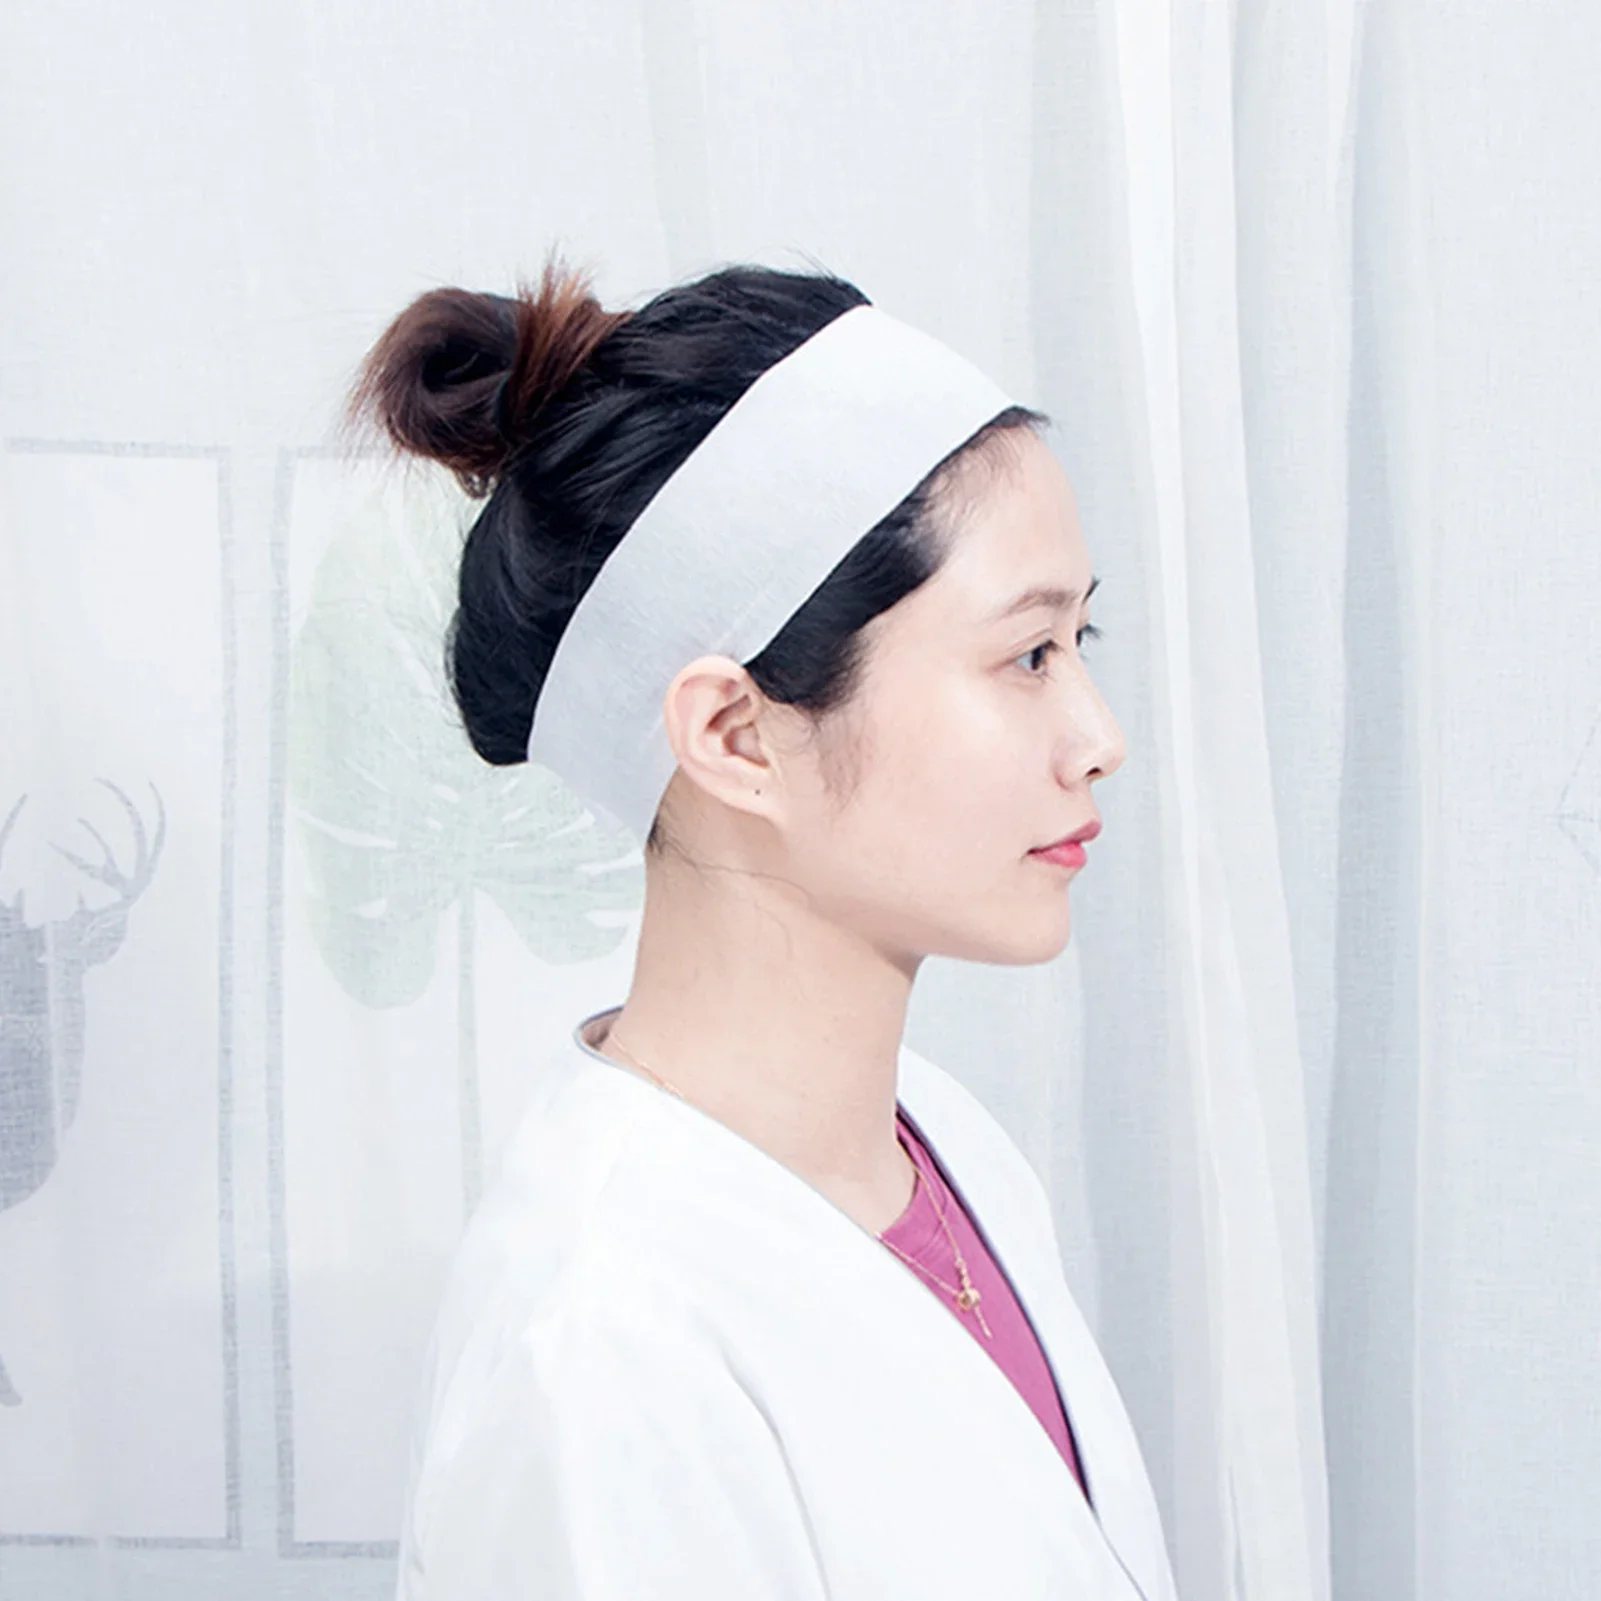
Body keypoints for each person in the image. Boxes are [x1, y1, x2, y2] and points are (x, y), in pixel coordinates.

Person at [348, 257, 1178, 1600]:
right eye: (1028, 654)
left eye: (1086, 640)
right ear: (735, 735)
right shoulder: (602, 1351)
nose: (1099, 738)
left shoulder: (947, 1147)